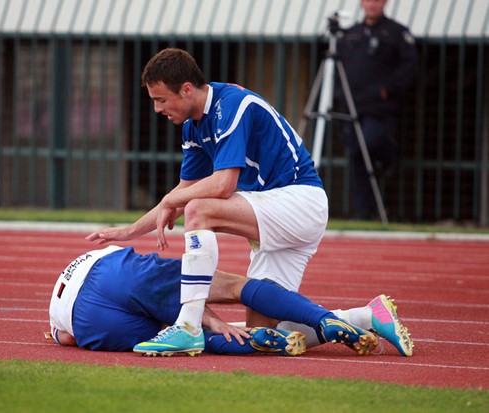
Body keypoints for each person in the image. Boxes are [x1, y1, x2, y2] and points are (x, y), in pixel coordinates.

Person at [86, 48, 329, 355]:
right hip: (275, 216)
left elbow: (223, 184)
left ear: (186, 89)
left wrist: (171, 200)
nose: (157, 108)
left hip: (301, 201)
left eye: (161, 99)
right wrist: (128, 232)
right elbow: (183, 190)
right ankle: (365, 319)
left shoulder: (232, 105)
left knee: (199, 209)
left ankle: (188, 326)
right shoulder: (193, 125)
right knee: (261, 335)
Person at [47, 246, 414, 357]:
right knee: (238, 286)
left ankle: (258, 341)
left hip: (85, 323)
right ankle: (346, 316)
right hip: (106, 269)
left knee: (188, 338)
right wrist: (204, 313)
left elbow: (66, 339)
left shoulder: (58, 330)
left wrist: (208, 321)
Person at [335, 0, 417, 220]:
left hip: (379, 108)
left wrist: (389, 89)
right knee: (356, 155)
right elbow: (339, 67)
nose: (372, 4)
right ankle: (363, 210)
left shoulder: (396, 32)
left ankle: (389, 158)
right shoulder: (352, 34)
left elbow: (410, 65)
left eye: (377, 0)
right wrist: (338, 94)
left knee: (372, 142)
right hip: (353, 106)